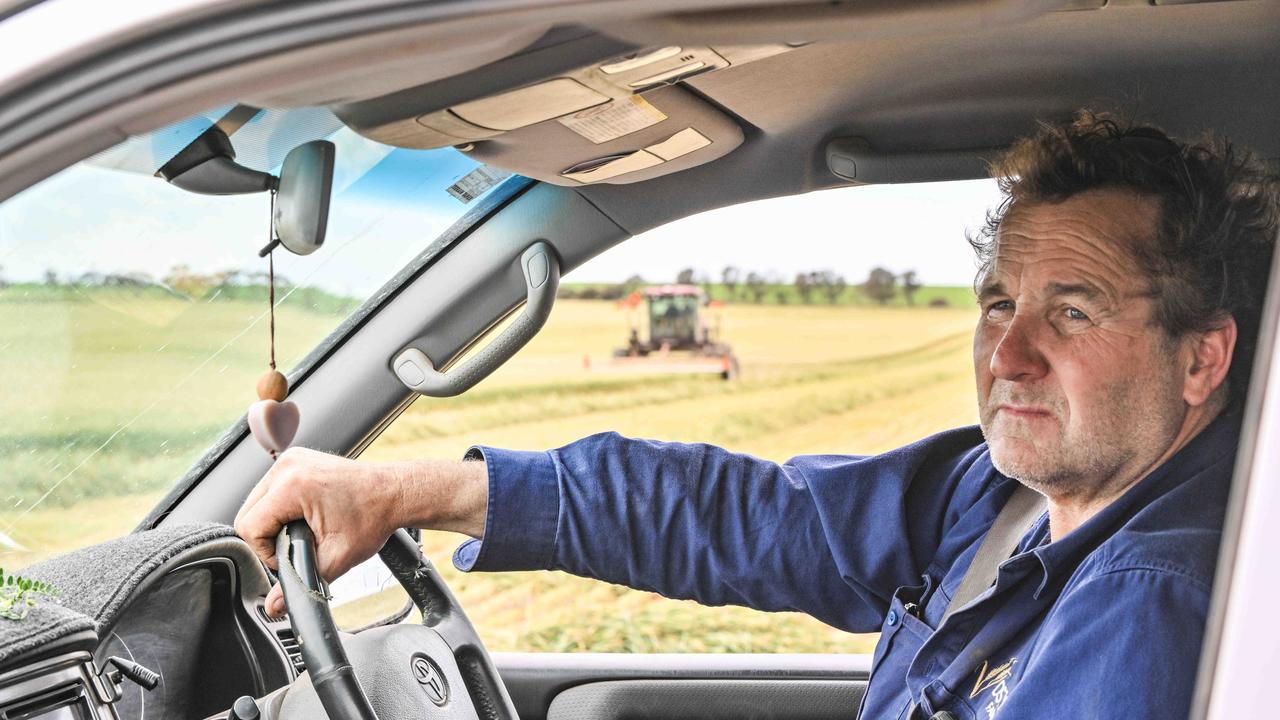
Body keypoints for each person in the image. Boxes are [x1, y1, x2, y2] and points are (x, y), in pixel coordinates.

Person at [235, 112, 1279, 719]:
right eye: (998, 303)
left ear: (1201, 357)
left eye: (1072, 309)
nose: (1007, 353)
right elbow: (749, 517)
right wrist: (407, 490)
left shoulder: (1160, 597)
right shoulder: (1005, 499)